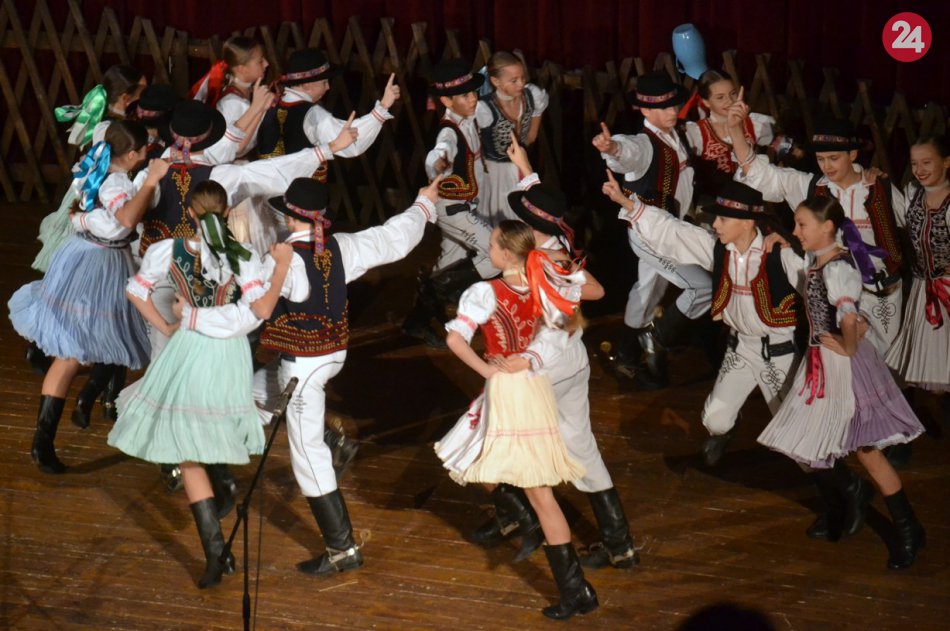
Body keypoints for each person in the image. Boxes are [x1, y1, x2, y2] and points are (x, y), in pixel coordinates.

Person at [173, 176, 441, 578]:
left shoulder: (282, 261)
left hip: (303, 367)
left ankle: (342, 548)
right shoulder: (342, 246)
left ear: (288, 217)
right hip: (330, 356)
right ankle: (221, 470)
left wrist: (193, 318)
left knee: (308, 454)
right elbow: (395, 238)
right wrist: (424, 204)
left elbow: (252, 313)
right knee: (245, 398)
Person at [109, 179, 285, 589]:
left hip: (190, 347)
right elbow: (258, 309)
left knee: (187, 452)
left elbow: (135, 291)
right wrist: (279, 270)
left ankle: (216, 553)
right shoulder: (242, 255)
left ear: (189, 212)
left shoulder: (168, 249)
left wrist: (167, 326)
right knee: (197, 441)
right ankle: (218, 544)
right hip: (229, 352)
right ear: (226, 212)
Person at [436, 220, 599, 619]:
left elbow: (454, 338)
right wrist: (529, 360)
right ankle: (544, 547)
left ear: (507, 254)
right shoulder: (546, 286)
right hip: (533, 387)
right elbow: (559, 333)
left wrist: (488, 370)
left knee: (516, 482)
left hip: (510, 392)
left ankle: (572, 586)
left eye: (492, 245)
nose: (488, 250)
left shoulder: (486, 292)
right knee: (476, 459)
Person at [757, 196, 925, 569]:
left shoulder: (837, 267)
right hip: (822, 363)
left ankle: (909, 530)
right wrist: (784, 242)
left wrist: (848, 346)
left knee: (866, 451)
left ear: (827, 227)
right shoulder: (819, 261)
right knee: (809, 440)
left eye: (802, 225)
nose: (797, 231)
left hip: (843, 366)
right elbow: (816, 286)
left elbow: (848, 315)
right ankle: (853, 493)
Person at [602, 175, 803, 466]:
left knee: (796, 437)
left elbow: (819, 284)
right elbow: (674, 232)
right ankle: (727, 428)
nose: (715, 224)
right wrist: (627, 203)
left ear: (747, 222)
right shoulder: (719, 250)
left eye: (723, 219)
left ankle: (845, 486)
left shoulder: (780, 256)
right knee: (714, 420)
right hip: (740, 350)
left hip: (776, 353)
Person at [8, 121, 168, 473]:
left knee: (104, 340)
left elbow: (88, 211)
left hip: (87, 254)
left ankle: (58, 425)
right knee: (77, 351)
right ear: (131, 155)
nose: (147, 154)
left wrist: (82, 220)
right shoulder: (115, 182)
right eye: (143, 150)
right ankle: (44, 440)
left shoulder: (96, 163)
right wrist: (152, 180)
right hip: (98, 264)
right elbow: (126, 219)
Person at [732, 115, 906, 355]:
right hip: (832, 291)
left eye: (834, 158)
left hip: (881, 291)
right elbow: (762, 175)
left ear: (852, 155)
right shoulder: (811, 187)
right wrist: (735, 129)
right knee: (839, 357)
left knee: (883, 359)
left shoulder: (879, 188)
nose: (827, 166)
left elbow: (914, 223)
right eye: (821, 159)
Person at [592, 71, 713, 387]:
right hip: (651, 235)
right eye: (662, 107)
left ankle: (627, 355)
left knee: (647, 290)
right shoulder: (645, 143)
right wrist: (612, 148)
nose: (671, 111)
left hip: (672, 228)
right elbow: (628, 152)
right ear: (645, 110)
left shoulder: (677, 134)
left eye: (673, 105)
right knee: (702, 286)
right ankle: (657, 338)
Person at [403, 59, 495, 348]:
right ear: (446, 101)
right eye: (465, 95)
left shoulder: (469, 118)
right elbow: (440, 150)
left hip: (464, 204)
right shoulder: (449, 131)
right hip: (453, 209)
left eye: (473, 93)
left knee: (451, 262)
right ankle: (438, 292)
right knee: (496, 253)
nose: (473, 99)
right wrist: (438, 162)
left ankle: (418, 320)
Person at [35, 65, 148, 274]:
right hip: (97, 188)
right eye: (142, 91)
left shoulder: (119, 121)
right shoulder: (108, 127)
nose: (145, 95)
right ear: (126, 98)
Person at [885, 135, 950, 421]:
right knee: (934, 372)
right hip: (924, 289)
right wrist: (876, 180)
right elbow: (896, 212)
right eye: (914, 164)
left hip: (946, 289)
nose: (919, 170)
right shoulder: (913, 193)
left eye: (927, 163)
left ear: (946, 162)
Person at [475, 51, 549, 225]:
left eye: (522, 78)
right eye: (514, 80)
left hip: (523, 167)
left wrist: (522, 164)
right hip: (495, 174)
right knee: (501, 221)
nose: (521, 83)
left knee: (525, 219)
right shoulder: (484, 109)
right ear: (496, 81)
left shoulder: (532, 96)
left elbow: (531, 136)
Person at [191, 35, 271, 158]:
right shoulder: (233, 103)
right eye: (260, 61)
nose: (266, 63)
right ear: (242, 69)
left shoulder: (244, 91)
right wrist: (259, 108)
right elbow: (234, 149)